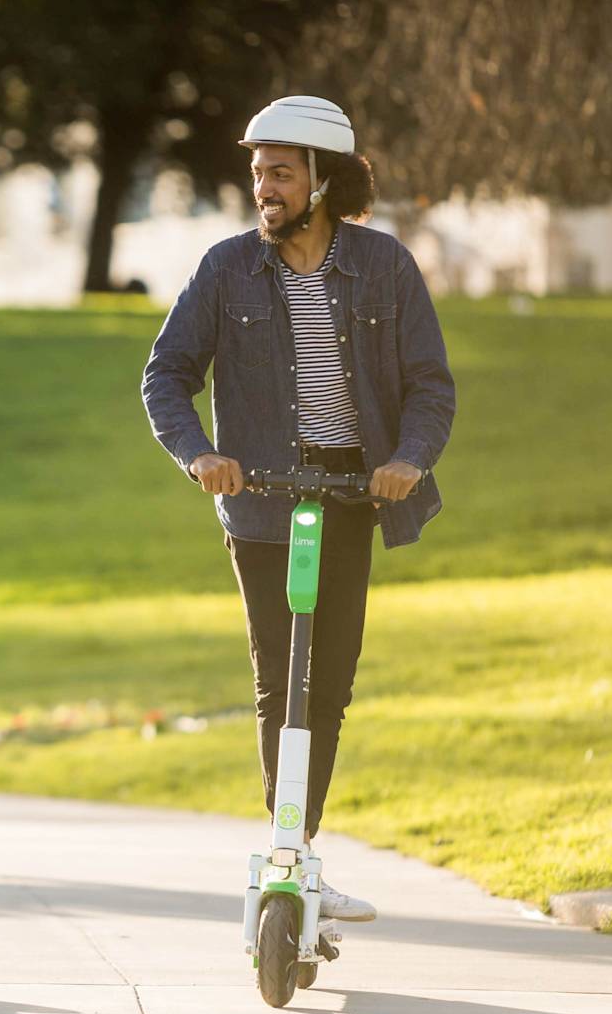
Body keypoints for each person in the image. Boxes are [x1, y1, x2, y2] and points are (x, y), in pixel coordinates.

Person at [141, 96, 456, 920]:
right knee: (279, 680)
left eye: (280, 173)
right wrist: (199, 454)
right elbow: (166, 374)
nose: (264, 189)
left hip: (351, 495)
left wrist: (407, 461)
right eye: (258, 173)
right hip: (263, 499)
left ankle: (299, 848)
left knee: (330, 684)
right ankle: (292, 855)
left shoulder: (384, 265)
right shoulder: (226, 268)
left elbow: (430, 385)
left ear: (324, 180)